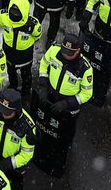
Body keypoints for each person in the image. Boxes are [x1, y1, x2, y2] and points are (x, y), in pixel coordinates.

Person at [34, 33, 93, 176]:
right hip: (51, 98)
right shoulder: (54, 51)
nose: (65, 55)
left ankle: (61, 156)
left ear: (78, 51)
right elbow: (44, 64)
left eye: (69, 53)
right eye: (64, 51)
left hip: (68, 109)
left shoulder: (85, 69)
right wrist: (43, 85)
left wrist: (67, 104)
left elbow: (86, 94)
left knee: (65, 136)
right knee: (46, 126)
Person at [0, 89, 36, 190]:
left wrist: (9, 163)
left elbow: (26, 154)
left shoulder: (27, 128)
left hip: (15, 166)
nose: (3, 115)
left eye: (8, 113)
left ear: (17, 110)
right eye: (2, 110)